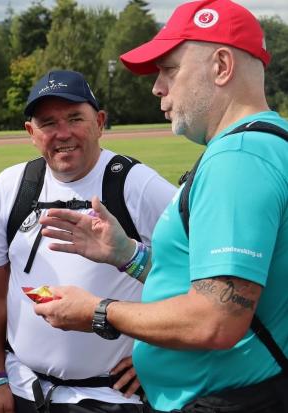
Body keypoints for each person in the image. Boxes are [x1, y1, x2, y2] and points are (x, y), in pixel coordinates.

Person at [33, 1, 288, 412]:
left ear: (221, 66)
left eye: (169, 69)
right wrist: (127, 255)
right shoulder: (271, 142)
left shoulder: (238, 160)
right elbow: (220, 282)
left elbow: (216, 318)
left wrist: (98, 311)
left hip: (226, 399)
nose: (157, 87)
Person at [0, 69, 176, 413]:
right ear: (31, 133)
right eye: (48, 123)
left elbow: (202, 279)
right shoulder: (12, 186)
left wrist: (160, 355)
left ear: (99, 121)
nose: (63, 133)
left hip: (113, 398)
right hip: (25, 392)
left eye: (74, 118)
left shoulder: (136, 184)